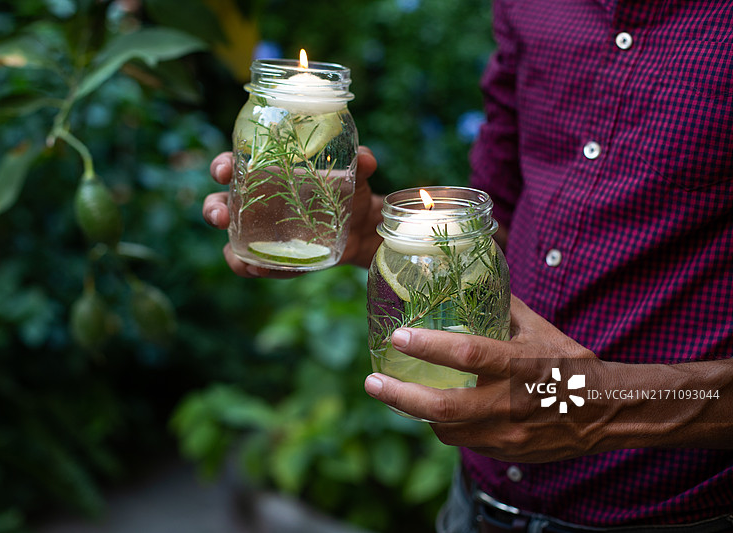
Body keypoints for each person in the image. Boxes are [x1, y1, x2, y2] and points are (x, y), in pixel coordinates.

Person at [203, 0, 733, 530]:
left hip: (681, 514)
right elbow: (496, 223)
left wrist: (606, 406)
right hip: (477, 505)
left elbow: (590, 404)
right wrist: (377, 230)